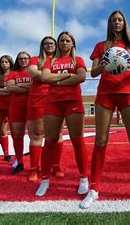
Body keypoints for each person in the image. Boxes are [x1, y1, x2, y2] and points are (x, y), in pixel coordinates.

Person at [80, 11, 130, 209]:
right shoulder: (101, 46)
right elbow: (93, 71)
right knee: (100, 140)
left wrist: (128, 61)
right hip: (105, 93)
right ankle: (93, 189)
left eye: (119, 20)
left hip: (128, 92)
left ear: (124, 23)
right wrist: (106, 62)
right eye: (113, 20)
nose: (116, 23)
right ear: (109, 24)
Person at [35, 31, 89, 197]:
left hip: (73, 102)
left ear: (72, 43)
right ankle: (44, 180)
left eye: (67, 40)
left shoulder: (78, 59)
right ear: (58, 44)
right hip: (53, 103)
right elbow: (44, 77)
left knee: (77, 141)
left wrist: (56, 79)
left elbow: (81, 77)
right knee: (50, 141)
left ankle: (84, 178)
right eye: (61, 41)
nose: (64, 43)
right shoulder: (51, 60)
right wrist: (66, 76)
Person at [28, 36, 66, 182]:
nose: (49, 45)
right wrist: (56, 77)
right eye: (46, 43)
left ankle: (56, 166)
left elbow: (42, 75)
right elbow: (33, 73)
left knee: (58, 133)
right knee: (37, 134)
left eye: (52, 43)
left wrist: (45, 75)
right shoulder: (35, 59)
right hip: (38, 98)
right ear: (42, 45)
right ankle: (34, 169)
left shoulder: (61, 60)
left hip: (57, 98)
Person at [6, 51, 33, 174]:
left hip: (32, 104)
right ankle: (20, 162)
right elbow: (10, 88)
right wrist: (27, 86)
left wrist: (20, 85)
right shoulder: (13, 73)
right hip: (16, 106)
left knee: (34, 135)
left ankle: (34, 166)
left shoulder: (33, 71)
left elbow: (36, 85)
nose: (23, 60)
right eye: (21, 58)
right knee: (17, 135)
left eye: (26, 58)